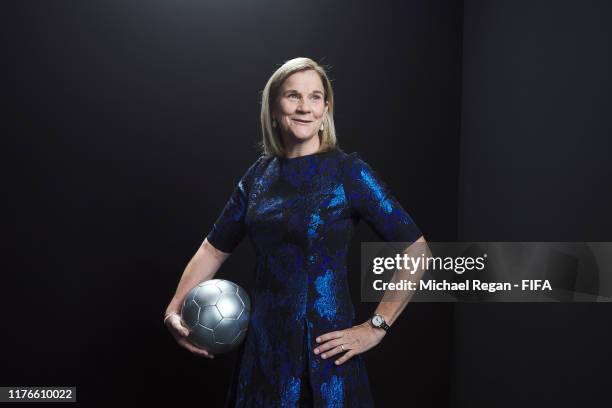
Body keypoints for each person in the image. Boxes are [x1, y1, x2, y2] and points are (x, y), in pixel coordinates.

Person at [164, 57, 426, 407]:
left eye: (315, 97)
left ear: (326, 109)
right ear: (274, 108)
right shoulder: (258, 177)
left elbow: (417, 251)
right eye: (293, 96)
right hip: (262, 352)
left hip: (325, 356)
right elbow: (213, 249)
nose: (305, 107)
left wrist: (377, 327)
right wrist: (174, 308)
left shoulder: (349, 172)